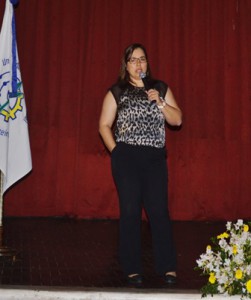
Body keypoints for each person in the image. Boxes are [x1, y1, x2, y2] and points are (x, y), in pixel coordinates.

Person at [99, 43, 182, 286]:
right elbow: (104, 125)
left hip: (154, 158)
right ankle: (132, 268)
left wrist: (161, 103)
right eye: (133, 60)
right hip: (127, 157)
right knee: (130, 212)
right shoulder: (117, 91)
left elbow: (177, 121)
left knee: (158, 212)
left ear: (147, 63)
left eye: (142, 59)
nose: (138, 64)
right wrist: (117, 152)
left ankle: (168, 267)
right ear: (126, 65)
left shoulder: (160, 88)